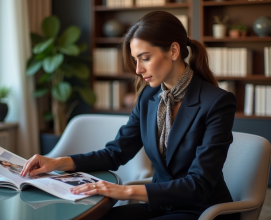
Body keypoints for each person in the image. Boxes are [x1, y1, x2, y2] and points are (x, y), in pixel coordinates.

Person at [21, 11, 239, 220]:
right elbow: (115, 153)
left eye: (145, 58)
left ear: (173, 51)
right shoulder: (149, 97)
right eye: (136, 59)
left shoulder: (217, 102)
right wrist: (57, 162)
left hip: (201, 211)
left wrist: (124, 191)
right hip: (161, 206)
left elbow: (199, 184)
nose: (137, 69)